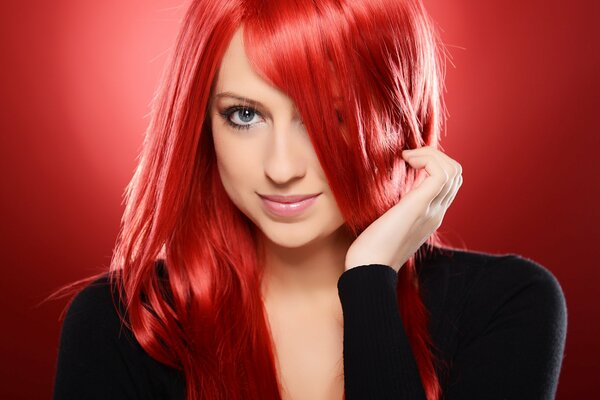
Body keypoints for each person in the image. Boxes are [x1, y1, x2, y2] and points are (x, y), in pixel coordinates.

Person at [50, 0, 568, 399]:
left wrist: (369, 279)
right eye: (245, 115)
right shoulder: (126, 325)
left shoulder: (507, 305)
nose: (281, 168)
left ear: (400, 113)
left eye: (331, 117)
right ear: (202, 124)